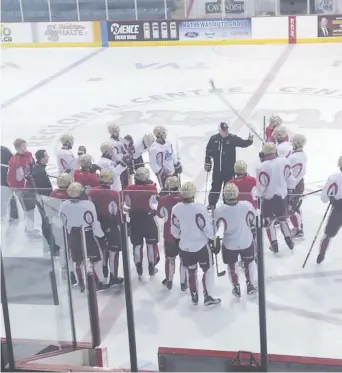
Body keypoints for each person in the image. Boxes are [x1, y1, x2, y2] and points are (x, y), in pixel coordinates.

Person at [170, 181, 221, 306]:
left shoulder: (176, 208)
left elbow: (175, 230)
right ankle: (208, 295)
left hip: (185, 247)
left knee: (191, 270)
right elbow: (207, 228)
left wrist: (178, 239)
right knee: (208, 269)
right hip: (201, 247)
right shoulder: (199, 208)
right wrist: (214, 240)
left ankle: (194, 294)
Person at [59, 182, 110, 292]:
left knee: (77, 261)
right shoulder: (87, 205)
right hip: (87, 234)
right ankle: (100, 281)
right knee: (96, 259)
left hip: (72, 234)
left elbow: (62, 220)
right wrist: (101, 236)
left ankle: (80, 282)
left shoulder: (64, 204)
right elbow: (94, 222)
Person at [215, 183, 257, 298]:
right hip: (246, 241)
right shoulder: (246, 205)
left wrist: (215, 243)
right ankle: (250, 284)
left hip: (229, 244)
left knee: (231, 265)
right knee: (249, 263)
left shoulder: (219, 210)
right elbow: (254, 222)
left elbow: (215, 230)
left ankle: (235, 286)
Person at [255, 142, 296, 253]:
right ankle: (289, 241)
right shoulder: (284, 161)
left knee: (269, 223)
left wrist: (257, 196)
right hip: (282, 197)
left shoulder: (261, 167)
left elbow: (261, 187)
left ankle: (274, 245)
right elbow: (290, 179)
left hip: (268, 199)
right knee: (283, 220)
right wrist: (291, 193)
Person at [204, 122, 253, 210]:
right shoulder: (214, 139)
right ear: (220, 130)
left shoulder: (232, 138)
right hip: (217, 171)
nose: (226, 131)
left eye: (226, 129)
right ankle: (212, 204)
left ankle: (227, 204)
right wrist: (207, 162)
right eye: (224, 130)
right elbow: (208, 151)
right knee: (215, 187)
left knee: (228, 188)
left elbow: (243, 143)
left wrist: (249, 140)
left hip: (229, 171)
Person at [88, 169, 124, 286]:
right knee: (113, 251)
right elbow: (117, 212)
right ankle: (113, 276)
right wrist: (120, 225)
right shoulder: (114, 194)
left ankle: (103, 272)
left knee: (101, 250)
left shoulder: (91, 192)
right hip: (110, 225)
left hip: (96, 225)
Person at [124, 167, 160, 277]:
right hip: (148, 219)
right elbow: (154, 204)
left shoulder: (128, 188)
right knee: (151, 244)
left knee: (137, 245)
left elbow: (128, 205)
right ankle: (151, 266)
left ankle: (138, 266)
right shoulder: (151, 187)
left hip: (134, 219)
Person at [156, 176, 187, 291]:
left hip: (169, 233)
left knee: (170, 259)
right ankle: (184, 282)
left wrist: (160, 198)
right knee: (184, 260)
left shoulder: (164, 199)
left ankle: (169, 280)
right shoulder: (184, 197)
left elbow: (159, 214)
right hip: (183, 233)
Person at [7, 138, 39, 238]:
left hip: (30, 186)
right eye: (23, 146)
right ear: (18, 148)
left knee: (31, 208)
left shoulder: (28, 154)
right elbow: (10, 177)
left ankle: (29, 228)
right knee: (28, 209)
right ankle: (29, 230)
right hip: (23, 189)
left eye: (26, 145)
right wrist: (16, 190)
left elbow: (32, 166)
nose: (25, 148)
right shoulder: (14, 161)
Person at [30, 150, 59, 255]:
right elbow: (43, 189)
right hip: (44, 200)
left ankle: (51, 243)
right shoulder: (38, 171)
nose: (48, 157)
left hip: (43, 199)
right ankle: (52, 245)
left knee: (46, 221)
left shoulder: (39, 168)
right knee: (46, 222)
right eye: (46, 156)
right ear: (41, 158)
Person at [316, 156, 342, 264]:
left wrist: (331, 198)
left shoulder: (334, 177)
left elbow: (324, 198)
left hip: (338, 210)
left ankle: (321, 255)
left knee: (328, 234)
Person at [288, 134, 307, 239]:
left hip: (295, 185)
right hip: (299, 183)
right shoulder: (301, 154)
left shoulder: (294, 157)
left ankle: (298, 229)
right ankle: (299, 225)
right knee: (295, 206)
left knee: (291, 208)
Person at [107, 122, 132, 188]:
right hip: (118, 166)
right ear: (111, 132)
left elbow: (126, 149)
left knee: (126, 184)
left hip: (124, 165)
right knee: (121, 184)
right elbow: (114, 156)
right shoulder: (110, 143)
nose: (118, 132)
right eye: (115, 131)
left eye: (118, 130)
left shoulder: (121, 139)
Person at [1, 145, 18, 222]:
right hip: (5, 176)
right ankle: (13, 215)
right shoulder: (4, 149)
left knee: (8, 195)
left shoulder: (3, 150)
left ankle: (13, 215)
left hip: (6, 176)